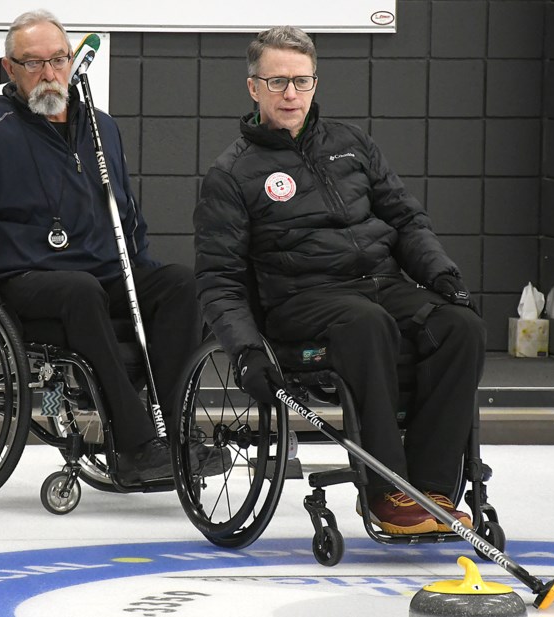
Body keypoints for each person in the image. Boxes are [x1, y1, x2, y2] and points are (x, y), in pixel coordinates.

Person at [0, 9, 217, 484]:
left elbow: (126, 217)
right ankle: (133, 448)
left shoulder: (102, 128)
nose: (49, 73)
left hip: (100, 275)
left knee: (179, 284)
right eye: (33, 63)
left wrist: (142, 277)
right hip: (23, 280)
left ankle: (175, 434)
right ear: (9, 68)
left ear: (72, 62)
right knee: (79, 289)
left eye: (58, 60)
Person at [194, 26, 486, 534]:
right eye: (278, 81)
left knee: (461, 327)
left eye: (301, 82)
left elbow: (405, 221)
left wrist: (441, 274)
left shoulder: (352, 144)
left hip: (379, 284)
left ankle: (434, 490)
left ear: (315, 83)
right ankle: (387, 493)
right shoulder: (232, 174)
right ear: (253, 87)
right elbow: (218, 278)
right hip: (301, 301)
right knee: (366, 323)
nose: (291, 94)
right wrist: (244, 350)